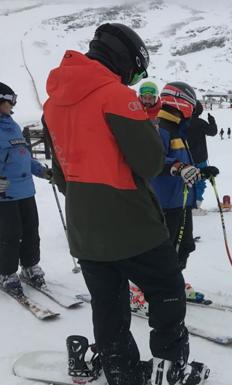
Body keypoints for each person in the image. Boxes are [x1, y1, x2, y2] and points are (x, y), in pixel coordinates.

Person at [43, 23, 209, 385]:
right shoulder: (116, 96)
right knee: (166, 289)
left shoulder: (52, 103)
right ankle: (170, 367)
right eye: (135, 70)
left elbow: (59, 174)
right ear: (124, 59)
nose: (135, 79)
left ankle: (122, 370)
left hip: (85, 228)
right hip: (132, 223)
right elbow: (149, 162)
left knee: (108, 302)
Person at [150, 82, 219, 269]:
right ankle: (154, 290)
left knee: (185, 246)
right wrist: (179, 167)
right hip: (166, 204)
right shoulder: (160, 128)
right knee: (166, 250)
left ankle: (176, 284)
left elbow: (182, 166)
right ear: (180, 102)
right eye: (191, 103)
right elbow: (153, 160)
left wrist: (200, 172)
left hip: (182, 201)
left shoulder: (178, 129)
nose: (193, 108)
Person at [0, 82, 52, 296]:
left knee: (31, 230)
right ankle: (7, 273)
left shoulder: (12, 125)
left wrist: (43, 171)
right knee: (9, 234)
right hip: (5, 193)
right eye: (11, 100)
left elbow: (24, 155)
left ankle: (30, 266)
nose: (14, 104)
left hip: (25, 190)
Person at [186, 100, 217, 216]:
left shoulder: (184, 122)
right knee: (200, 182)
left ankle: (188, 204)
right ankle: (195, 206)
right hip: (200, 158)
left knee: (188, 181)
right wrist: (212, 121)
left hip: (187, 158)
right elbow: (213, 132)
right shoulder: (200, 122)